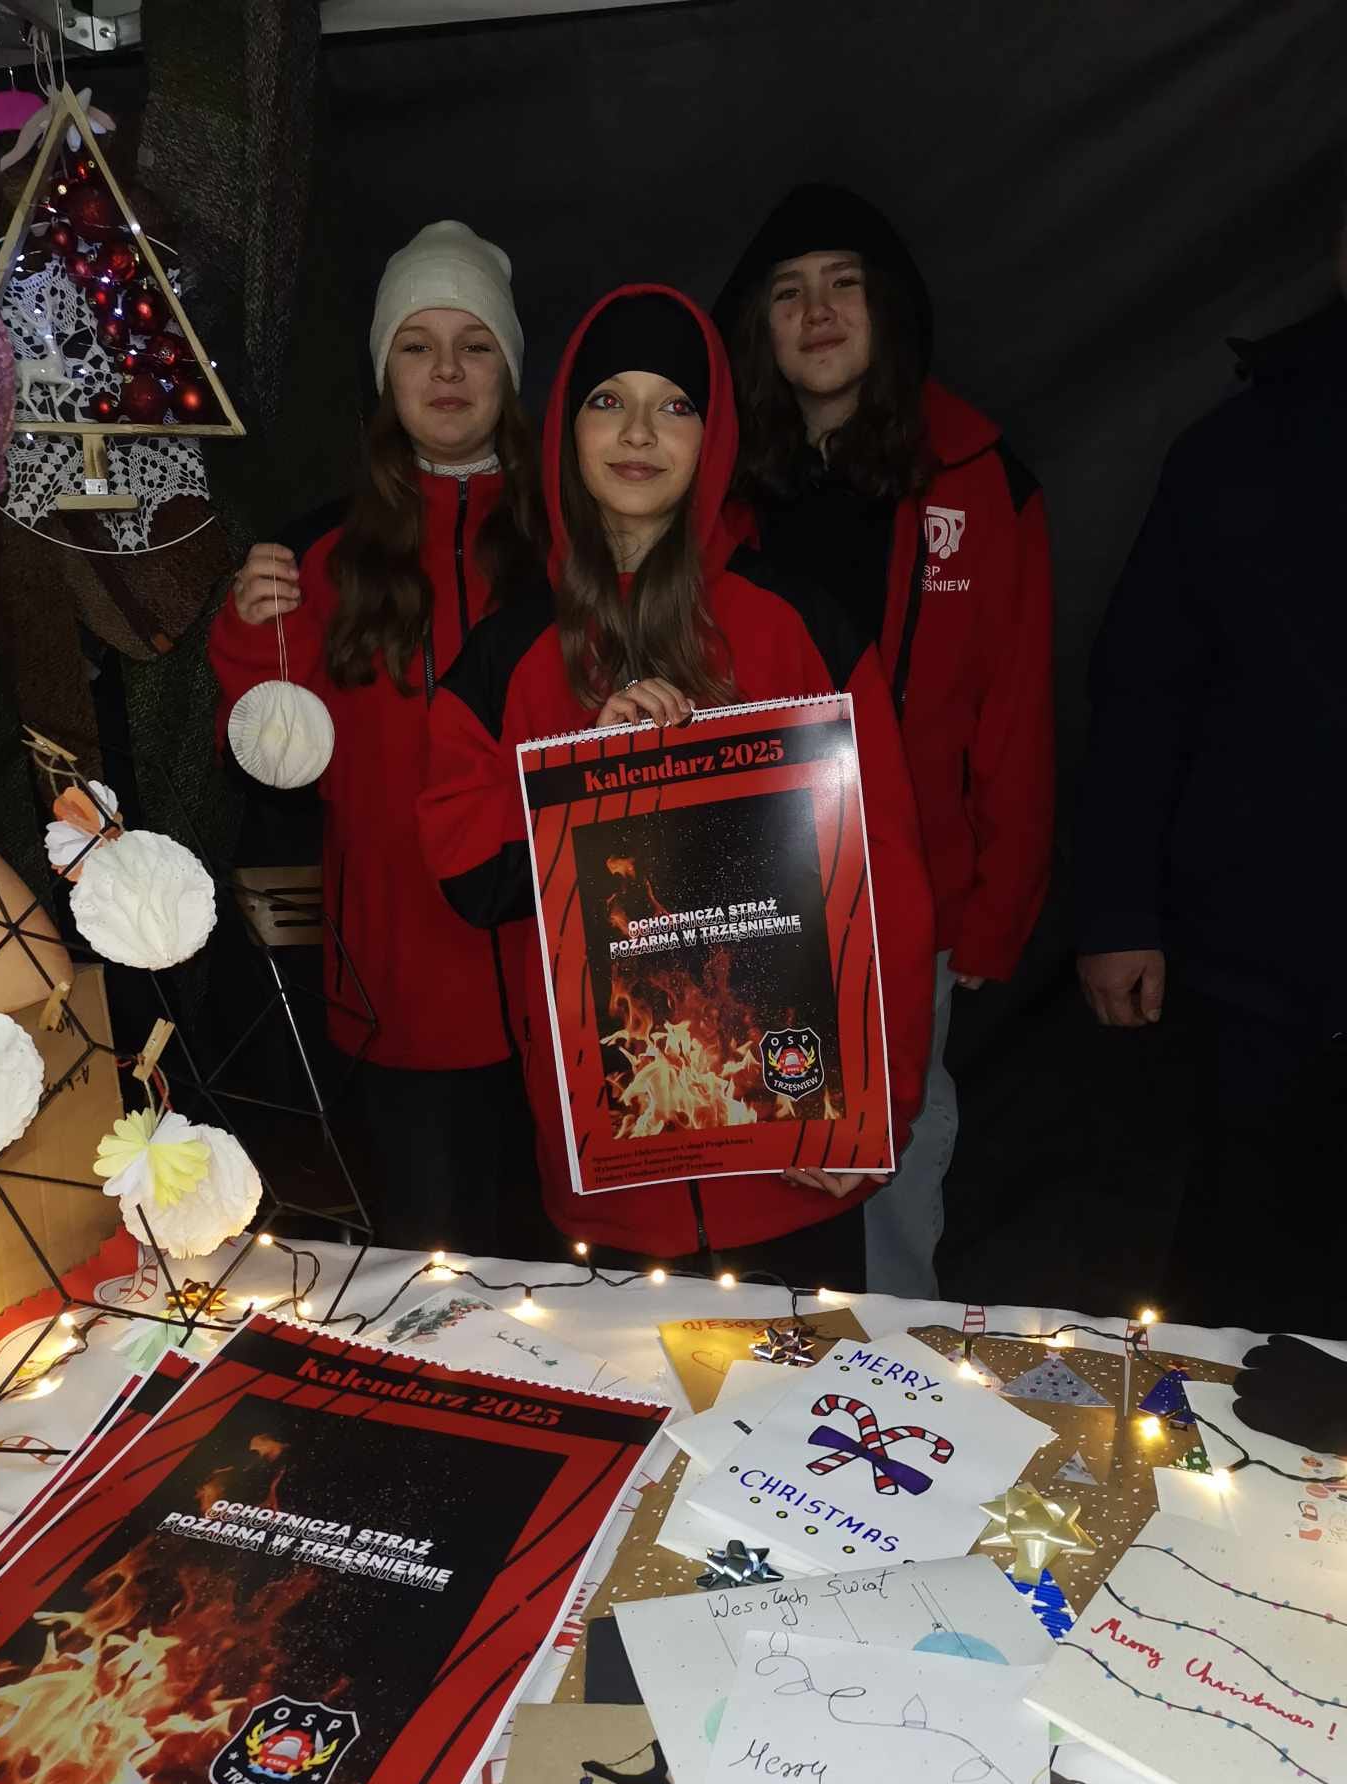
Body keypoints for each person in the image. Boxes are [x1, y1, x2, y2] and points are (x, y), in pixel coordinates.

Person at [418, 284, 934, 1285]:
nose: (639, 432)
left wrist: (881, 1109)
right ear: (565, 428)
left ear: (716, 430)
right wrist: (582, 784)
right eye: (609, 400)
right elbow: (470, 879)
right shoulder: (507, 654)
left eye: (675, 405)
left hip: (794, 1164)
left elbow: (892, 888)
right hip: (610, 1178)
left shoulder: (801, 624)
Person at [714, 184, 1054, 1299]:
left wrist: (998, 907)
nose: (817, 312)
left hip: (916, 891)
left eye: (843, 284)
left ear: (889, 308)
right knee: (748, 1133)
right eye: (788, 293)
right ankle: (761, 1355)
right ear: (758, 328)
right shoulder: (719, 485)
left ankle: (893, 1358)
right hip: (747, 888)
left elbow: (1014, 709)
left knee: (898, 1147)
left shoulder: (979, 477)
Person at [208, 220, 548, 1254]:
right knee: (431, 1270)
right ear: (383, 372)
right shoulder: (319, 552)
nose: (446, 370)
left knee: (566, 1276)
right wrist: (248, 638)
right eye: (416, 345)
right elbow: (277, 758)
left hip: (557, 977)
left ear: (509, 369)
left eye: (475, 344)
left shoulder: (569, 536)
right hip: (399, 982)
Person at [1075, 280, 1347, 1342]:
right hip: (1258, 968)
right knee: (1237, 1299)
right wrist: (1115, 909)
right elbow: (1144, 692)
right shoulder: (1236, 448)